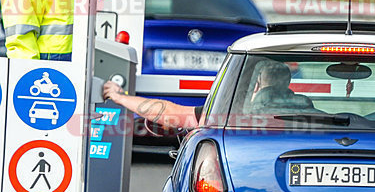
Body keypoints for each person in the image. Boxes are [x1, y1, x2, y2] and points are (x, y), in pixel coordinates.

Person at [102, 59, 305, 129]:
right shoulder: (311, 116)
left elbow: (166, 112)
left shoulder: (227, 118)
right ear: (288, 84)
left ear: (256, 85)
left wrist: (120, 97)